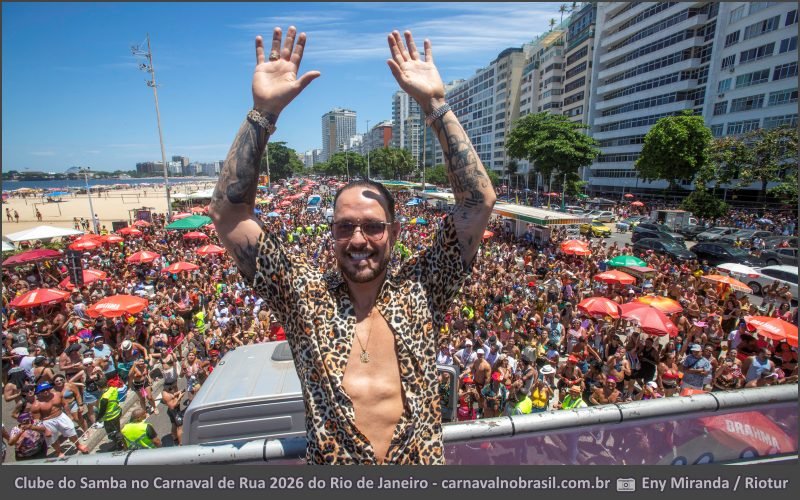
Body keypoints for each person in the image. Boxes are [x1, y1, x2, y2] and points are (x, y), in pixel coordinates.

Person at [210, 27, 494, 464]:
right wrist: (263, 113)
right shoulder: (303, 297)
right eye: (345, 226)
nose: (358, 239)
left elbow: (478, 202)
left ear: (394, 232)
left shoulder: (423, 289)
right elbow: (229, 214)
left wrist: (435, 105)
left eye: (372, 226)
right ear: (332, 232)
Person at [29, 382, 90, 456]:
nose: (45, 391)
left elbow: (65, 404)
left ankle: (78, 445)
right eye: (42, 390)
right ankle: (59, 452)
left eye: (47, 389)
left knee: (71, 429)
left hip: (61, 415)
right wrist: (45, 430)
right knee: (52, 438)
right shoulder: (36, 405)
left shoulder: (57, 395)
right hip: (47, 421)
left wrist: (69, 415)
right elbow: (37, 421)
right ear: (39, 392)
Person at [95, 377, 125, 451]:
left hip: (110, 418)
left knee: (113, 433)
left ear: (99, 387)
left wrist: (97, 419)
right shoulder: (112, 389)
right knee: (117, 430)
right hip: (117, 412)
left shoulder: (104, 398)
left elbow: (102, 411)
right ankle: (120, 443)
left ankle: (120, 446)